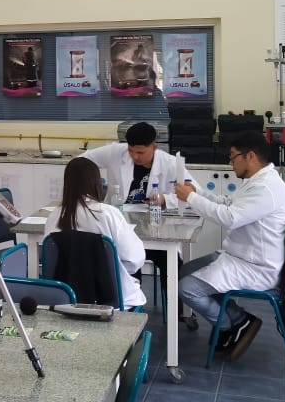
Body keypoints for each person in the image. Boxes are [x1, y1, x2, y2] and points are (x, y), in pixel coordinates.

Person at [174, 131, 285, 361]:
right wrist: (198, 193)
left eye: (233, 157)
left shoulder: (266, 188)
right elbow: (229, 204)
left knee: (187, 288)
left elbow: (230, 217)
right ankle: (237, 318)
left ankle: (232, 324)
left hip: (256, 267)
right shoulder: (258, 181)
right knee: (185, 271)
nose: (230, 163)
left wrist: (191, 199)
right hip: (241, 256)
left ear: (250, 156)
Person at [78, 121, 194, 301]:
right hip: (121, 225)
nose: (135, 156)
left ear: (154, 147)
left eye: (140, 152)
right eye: (131, 151)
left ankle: (177, 310)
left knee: (171, 264)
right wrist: (92, 187)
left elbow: (193, 191)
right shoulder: (116, 152)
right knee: (126, 262)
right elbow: (80, 162)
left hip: (155, 229)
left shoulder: (169, 163)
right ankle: (130, 307)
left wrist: (166, 199)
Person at [44, 158, 147, 309]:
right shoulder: (109, 213)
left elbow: (50, 259)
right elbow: (134, 260)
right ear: (96, 183)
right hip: (111, 300)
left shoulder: (55, 216)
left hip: (66, 300)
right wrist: (114, 268)